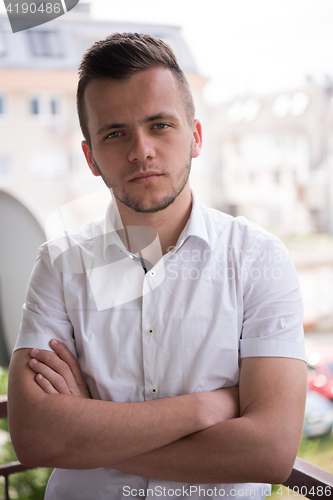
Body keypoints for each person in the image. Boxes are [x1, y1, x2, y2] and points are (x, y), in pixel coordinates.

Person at [8, 33, 307, 500]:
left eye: (160, 125)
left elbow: (269, 452)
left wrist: (88, 432)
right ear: (90, 158)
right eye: (115, 133)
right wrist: (203, 409)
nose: (140, 150)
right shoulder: (59, 264)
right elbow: (35, 439)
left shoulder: (259, 258)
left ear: (196, 136)